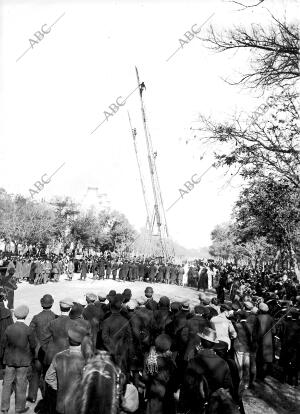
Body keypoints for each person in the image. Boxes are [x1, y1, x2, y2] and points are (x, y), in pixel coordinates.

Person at [179, 327, 233, 414]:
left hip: (197, 405)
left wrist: (182, 407)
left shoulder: (193, 362)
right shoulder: (223, 363)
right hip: (215, 406)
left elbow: (187, 385)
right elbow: (228, 387)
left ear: (201, 341)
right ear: (213, 344)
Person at [1, 304, 36, 414]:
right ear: (25, 316)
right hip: (23, 361)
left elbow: (3, 344)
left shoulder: (9, 328)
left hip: (9, 360)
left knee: (7, 384)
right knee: (21, 384)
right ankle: (19, 408)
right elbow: (33, 345)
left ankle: (4, 407)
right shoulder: (28, 329)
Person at [45, 325, 88, 414]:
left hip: (62, 404)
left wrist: (59, 388)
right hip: (80, 405)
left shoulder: (58, 356)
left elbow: (49, 377)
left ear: (68, 340)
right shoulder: (87, 358)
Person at [28, 294, 57, 403]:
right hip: (50, 351)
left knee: (35, 374)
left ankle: (32, 396)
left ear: (41, 304)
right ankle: (47, 397)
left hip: (37, 351)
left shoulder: (36, 317)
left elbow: (30, 332)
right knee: (48, 374)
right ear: (52, 304)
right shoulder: (55, 317)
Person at [142, 334, 178, 414]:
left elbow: (145, 377)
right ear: (168, 348)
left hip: (153, 397)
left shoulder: (151, 360)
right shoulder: (170, 364)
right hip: (167, 398)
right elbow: (174, 384)